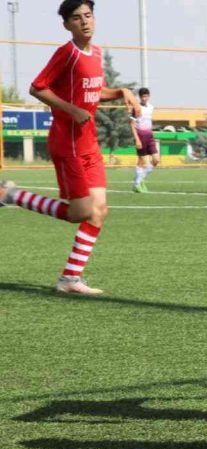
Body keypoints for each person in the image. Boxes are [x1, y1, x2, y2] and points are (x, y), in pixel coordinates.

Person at [0, 0, 138, 295]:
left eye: (88, 15)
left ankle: (70, 279)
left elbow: (93, 89)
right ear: (67, 25)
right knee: (80, 212)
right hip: (68, 144)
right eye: (77, 18)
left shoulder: (96, 53)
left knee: (99, 211)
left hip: (89, 144)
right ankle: (9, 194)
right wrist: (71, 110)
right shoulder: (66, 53)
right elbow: (37, 87)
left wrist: (122, 92)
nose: (84, 22)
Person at [131, 87, 159, 193]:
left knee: (156, 160)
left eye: (146, 96)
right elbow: (132, 125)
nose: (144, 98)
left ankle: (139, 180)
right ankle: (137, 184)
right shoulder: (137, 108)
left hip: (150, 136)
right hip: (140, 136)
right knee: (142, 163)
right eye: (142, 96)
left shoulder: (151, 107)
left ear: (149, 96)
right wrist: (137, 139)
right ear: (140, 97)